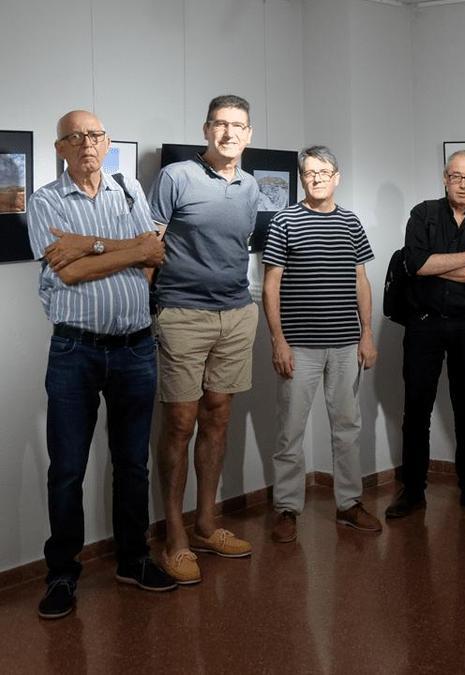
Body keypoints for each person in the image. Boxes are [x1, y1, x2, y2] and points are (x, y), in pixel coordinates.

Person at [28, 110, 175, 618]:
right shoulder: (45, 200)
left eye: (93, 135)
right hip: (76, 351)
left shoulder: (128, 189)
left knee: (133, 464)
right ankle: (63, 574)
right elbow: (68, 274)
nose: (86, 144)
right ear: (60, 149)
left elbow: (155, 254)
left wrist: (90, 247)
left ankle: (133, 560)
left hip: (136, 348)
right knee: (67, 469)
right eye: (74, 137)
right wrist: (128, 250)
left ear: (107, 142)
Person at [148, 94, 260, 584]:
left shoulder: (253, 188)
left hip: (236, 315)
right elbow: (150, 248)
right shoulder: (176, 177)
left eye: (238, 125)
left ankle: (206, 523)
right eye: (220, 124)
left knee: (218, 415)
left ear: (249, 134)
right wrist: (147, 311)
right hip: (182, 315)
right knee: (180, 421)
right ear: (205, 130)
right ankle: (173, 534)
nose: (229, 133)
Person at [261, 145, 381, 543]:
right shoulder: (285, 222)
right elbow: (271, 285)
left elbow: (361, 280)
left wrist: (367, 333)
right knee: (290, 433)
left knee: (347, 428)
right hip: (300, 346)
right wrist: (278, 340)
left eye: (323, 171)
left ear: (336, 177)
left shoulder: (350, 223)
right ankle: (287, 509)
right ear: (302, 178)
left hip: (346, 344)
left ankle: (348, 504)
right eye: (309, 172)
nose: (316, 178)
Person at [385, 150, 465, 518]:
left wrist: (437, 264)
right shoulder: (422, 213)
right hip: (423, 323)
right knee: (416, 409)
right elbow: (416, 265)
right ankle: (413, 490)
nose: (464, 184)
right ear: (445, 178)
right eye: (457, 176)